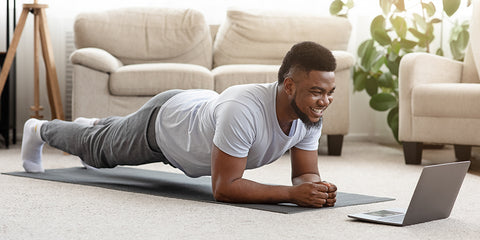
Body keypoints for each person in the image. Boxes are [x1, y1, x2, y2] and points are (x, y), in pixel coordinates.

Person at [21, 41, 338, 208]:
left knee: (106, 134)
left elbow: (304, 173)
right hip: (163, 127)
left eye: (329, 93)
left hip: (194, 113)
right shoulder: (244, 109)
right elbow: (224, 188)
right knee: (96, 152)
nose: (324, 101)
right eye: (317, 92)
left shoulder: (308, 114)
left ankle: (97, 124)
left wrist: (315, 188)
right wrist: (292, 194)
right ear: (289, 87)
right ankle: (39, 129)